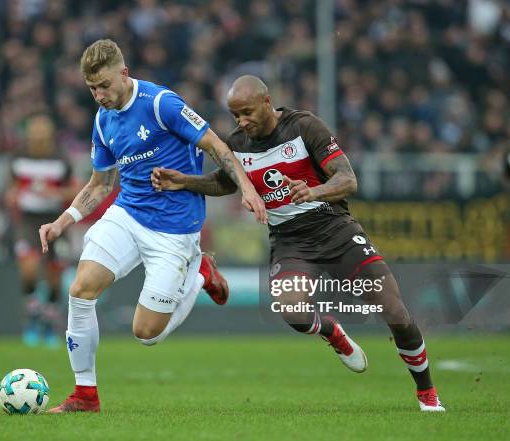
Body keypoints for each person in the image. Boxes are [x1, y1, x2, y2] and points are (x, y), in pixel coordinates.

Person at [151, 75, 445, 412]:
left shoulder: (304, 126)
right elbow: (226, 183)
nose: (242, 121)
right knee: (291, 308)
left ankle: (427, 392)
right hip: (290, 241)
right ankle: (333, 333)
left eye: (247, 112)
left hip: (335, 229)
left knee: (393, 309)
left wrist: (313, 190)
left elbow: (347, 179)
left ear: (267, 102)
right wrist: (185, 182)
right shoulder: (237, 144)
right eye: (235, 116)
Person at [38, 40, 267, 413]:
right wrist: (62, 221)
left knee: (146, 335)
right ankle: (85, 395)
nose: (99, 95)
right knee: (80, 290)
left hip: (175, 229)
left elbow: (217, 147)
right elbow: (100, 184)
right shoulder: (102, 120)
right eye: (92, 88)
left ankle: (199, 273)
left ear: (124, 74)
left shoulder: (161, 104)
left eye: (105, 86)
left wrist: (248, 190)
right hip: (128, 214)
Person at [5, 114, 79, 347]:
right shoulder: (18, 157)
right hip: (28, 221)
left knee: (55, 276)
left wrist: (55, 194)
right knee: (28, 267)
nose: (38, 132)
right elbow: (11, 187)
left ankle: (48, 323)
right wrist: (12, 195)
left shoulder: (60, 159)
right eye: (34, 128)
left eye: (42, 127)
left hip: (55, 220)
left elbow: (74, 190)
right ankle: (32, 316)